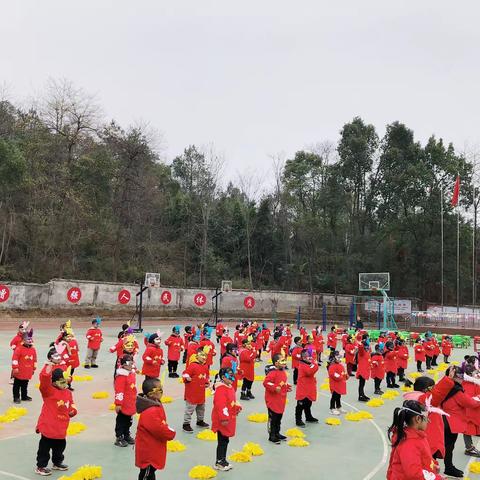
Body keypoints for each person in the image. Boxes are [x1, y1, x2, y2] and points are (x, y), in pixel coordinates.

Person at [403, 370, 455, 460]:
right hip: (427, 440)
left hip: (426, 438)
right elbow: (437, 395)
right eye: (433, 388)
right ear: (426, 390)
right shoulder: (422, 400)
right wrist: (448, 379)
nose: (434, 389)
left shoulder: (414, 398)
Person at [386, 400, 443, 479]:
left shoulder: (418, 436)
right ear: (418, 419)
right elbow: (414, 474)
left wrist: (433, 465)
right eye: (426, 419)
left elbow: (424, 457)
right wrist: (436, 478)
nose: (428, 422)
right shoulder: (409, 443)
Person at [35, 366, 77, 476]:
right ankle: (41, 466)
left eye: (66, 382)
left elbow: (71, 403)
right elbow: (44, 383)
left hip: (61, 426)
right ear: (53, 383)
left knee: (60, 446)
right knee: (44, 448)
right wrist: (47, 372)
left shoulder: (67, 392)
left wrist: (73, 410)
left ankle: (57, 462)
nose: (65, 385)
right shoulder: (48, 391)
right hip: (49, 425)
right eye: (61, 382)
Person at [441, 365, 480, 478]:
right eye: (460, 376)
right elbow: (470, 403)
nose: (462, 378)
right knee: (448, 446)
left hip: (444, 420)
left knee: (447, 446)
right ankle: (448, 467)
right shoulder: (456, 390)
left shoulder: (446, 387)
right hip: (450, 423)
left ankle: (448, 466)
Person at [135, 377, 176, 480]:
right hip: (148, 451)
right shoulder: (150, 411)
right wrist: (170, 432)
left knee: (150, 473)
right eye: (159, 389)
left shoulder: (155, 404)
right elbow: (158, 428)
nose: (162, 391)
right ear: (151, 394)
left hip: (152, 447)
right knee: (147, 473)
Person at [211, 367, 242, 471]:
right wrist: (224, 417)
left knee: (225, 440)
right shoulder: (221, 389)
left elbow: (232, 401)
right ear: (223, 377)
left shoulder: (230, 387)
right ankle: (219, 461)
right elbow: (220, 405)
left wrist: (236, 407)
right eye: (229, 375)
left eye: (233, 374)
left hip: (229, 418)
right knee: (222, 441)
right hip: (222, 420)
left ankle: (223, 459)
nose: (232, 377)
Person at [263, 353, 292, 444]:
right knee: (273, 418)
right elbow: (266, 383)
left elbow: (282, 383)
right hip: (272, 400)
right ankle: (272, 435)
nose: (284, 363)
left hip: (281, 399)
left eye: (284, 360)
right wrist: (275, 387)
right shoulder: (272, 373)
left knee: (279, 417)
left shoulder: (283, 372)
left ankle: (277, 432)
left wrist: (286, 387)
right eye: (282, 361)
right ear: (276, 363)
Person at [182, 348, 210, 433]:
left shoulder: (205, 367)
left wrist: (207, 382)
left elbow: (206, 377)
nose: (204, 358)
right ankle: (186, 424)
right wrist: (187, 378)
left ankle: (200, 421)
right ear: (197, 357)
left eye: (205, 356)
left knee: (201, 407)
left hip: (201, 391)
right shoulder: (193, 365)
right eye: (202, 356)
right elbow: (185, 373)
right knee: (190, 408)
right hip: (192, 392)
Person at [114, 355, 137, 447]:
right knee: (121, 421)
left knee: (129, 421)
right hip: (123, 403)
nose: (131, 364)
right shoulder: (121, 377)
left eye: (132, 362)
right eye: (129, 363)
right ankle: (119, 437)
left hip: (131, 402)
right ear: (123, 365)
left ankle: (126, 434)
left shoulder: (131, 374)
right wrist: (118, 403)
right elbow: (119, 391)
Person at [12, 328, 37, 403]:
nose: (29, 341)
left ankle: (24, 396)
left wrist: (33, 369)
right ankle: (16, 397)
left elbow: (35, 360)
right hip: (19, 371)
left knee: (25, 384)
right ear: (23, 340)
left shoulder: (33, 350)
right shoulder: (19, 349)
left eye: (30, 339)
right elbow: (14, 359)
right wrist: (15, 368)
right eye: (27, 339)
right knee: (17, 384)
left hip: (28, 371)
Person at [295, 349, 319, 426]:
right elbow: (309, 372)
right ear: (303, 357)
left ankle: (308, 416)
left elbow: (311, 368)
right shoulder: (302, 365)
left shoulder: (308, 363)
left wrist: (313, 364)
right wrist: (315, 365)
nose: (309, 358)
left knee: (308, 403)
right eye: (307, 356)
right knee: (300, 405)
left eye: (309, 356)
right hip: (303, 388)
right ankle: (298, 419)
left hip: (309, 387)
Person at [327, 350, 347, 415]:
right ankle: (332, 408)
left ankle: (339, 406)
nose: (340, 359)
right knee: (334, 396)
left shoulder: (340, 365)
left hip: (340, 384)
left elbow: (343, 372)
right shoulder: (332, 366)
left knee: (339, 396)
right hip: (334, 384)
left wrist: (345, 375)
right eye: (338, 358)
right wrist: (341, 376)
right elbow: (333, 374)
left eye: (340, 357)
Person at [357, 334, 371, 402]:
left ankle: (362, 394)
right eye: (366, 347)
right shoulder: (362, 352)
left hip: (365, 370)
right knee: (361, 384)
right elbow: (360, 349)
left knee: (363, 384)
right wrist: (360, 344)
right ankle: (360, 396)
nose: (368, 348)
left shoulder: (366, 351)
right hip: (362, 370)